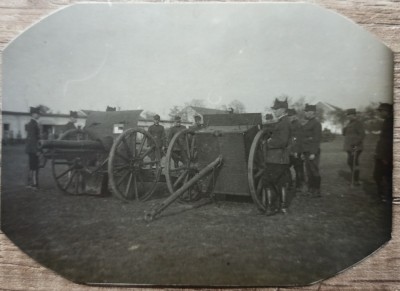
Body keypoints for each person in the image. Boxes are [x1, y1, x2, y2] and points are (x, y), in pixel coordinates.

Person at [263, 98, 291, 215]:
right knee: (280, 181)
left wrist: (268, 142)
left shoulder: (284, 123)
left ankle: (272, 207)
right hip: (279, 158)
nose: (274, 111)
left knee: (269, 181)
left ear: (283, 110)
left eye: (276, 109)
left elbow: (282, 141)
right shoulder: (282, 122)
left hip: (277, 158)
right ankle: (283, 207)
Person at [301, 104, 322, 198]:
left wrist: (313, 152)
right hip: (306, 150)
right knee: (308, 171)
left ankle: (317, 190)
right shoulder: (308, 123)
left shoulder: (316, 123)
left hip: (312, 151)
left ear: (312, 112)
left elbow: (317, 139)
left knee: (314, 170)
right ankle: (310, 189)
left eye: (306, 111)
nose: (305, 113)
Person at [373, 103, 393, 203]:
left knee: (386, 176)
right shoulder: (387, 121)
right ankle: (383, 196)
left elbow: (390, 141)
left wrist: (386, 157)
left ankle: (386, 197)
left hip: (386, 155)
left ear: (387, 111)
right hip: (381, 154)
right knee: (378, 175)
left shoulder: (392, 122)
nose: (379, 113)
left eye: (381, 111)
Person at [342, 108, 365, 186]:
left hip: (356, 147)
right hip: (349, 147)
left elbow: (362, 135)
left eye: (350, 115)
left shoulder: (358, 123)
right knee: (351, 162)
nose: (349, 116)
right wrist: (344, 127)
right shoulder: (349, 124)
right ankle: (355, 178)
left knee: (353, 162)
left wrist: (355, 143)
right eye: (348, 115)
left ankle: (356, 180)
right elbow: (344, 133)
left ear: (354, 115)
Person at [25, 106, 42, 189]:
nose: (39, 115)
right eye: (37, 114)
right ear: (33, 114)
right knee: (34, 166)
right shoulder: (33, 124)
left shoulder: (33, 123)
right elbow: (33, 138)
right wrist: (37, 150)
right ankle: (34, 184)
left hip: (31, 148)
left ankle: (29, 183)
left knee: (32, 165)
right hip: (33, 148)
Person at [288, 108, 304, 192]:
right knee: (288, 168)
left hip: (296, 151)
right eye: (288, 116)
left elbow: (298, 139)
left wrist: (296, 151)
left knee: (298, 169)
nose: (289, 117)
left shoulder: (297, 125)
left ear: (295, 116)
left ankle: (299, 185)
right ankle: (291, 184)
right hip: (291, 151)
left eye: (290, 116)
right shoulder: (290, 124)